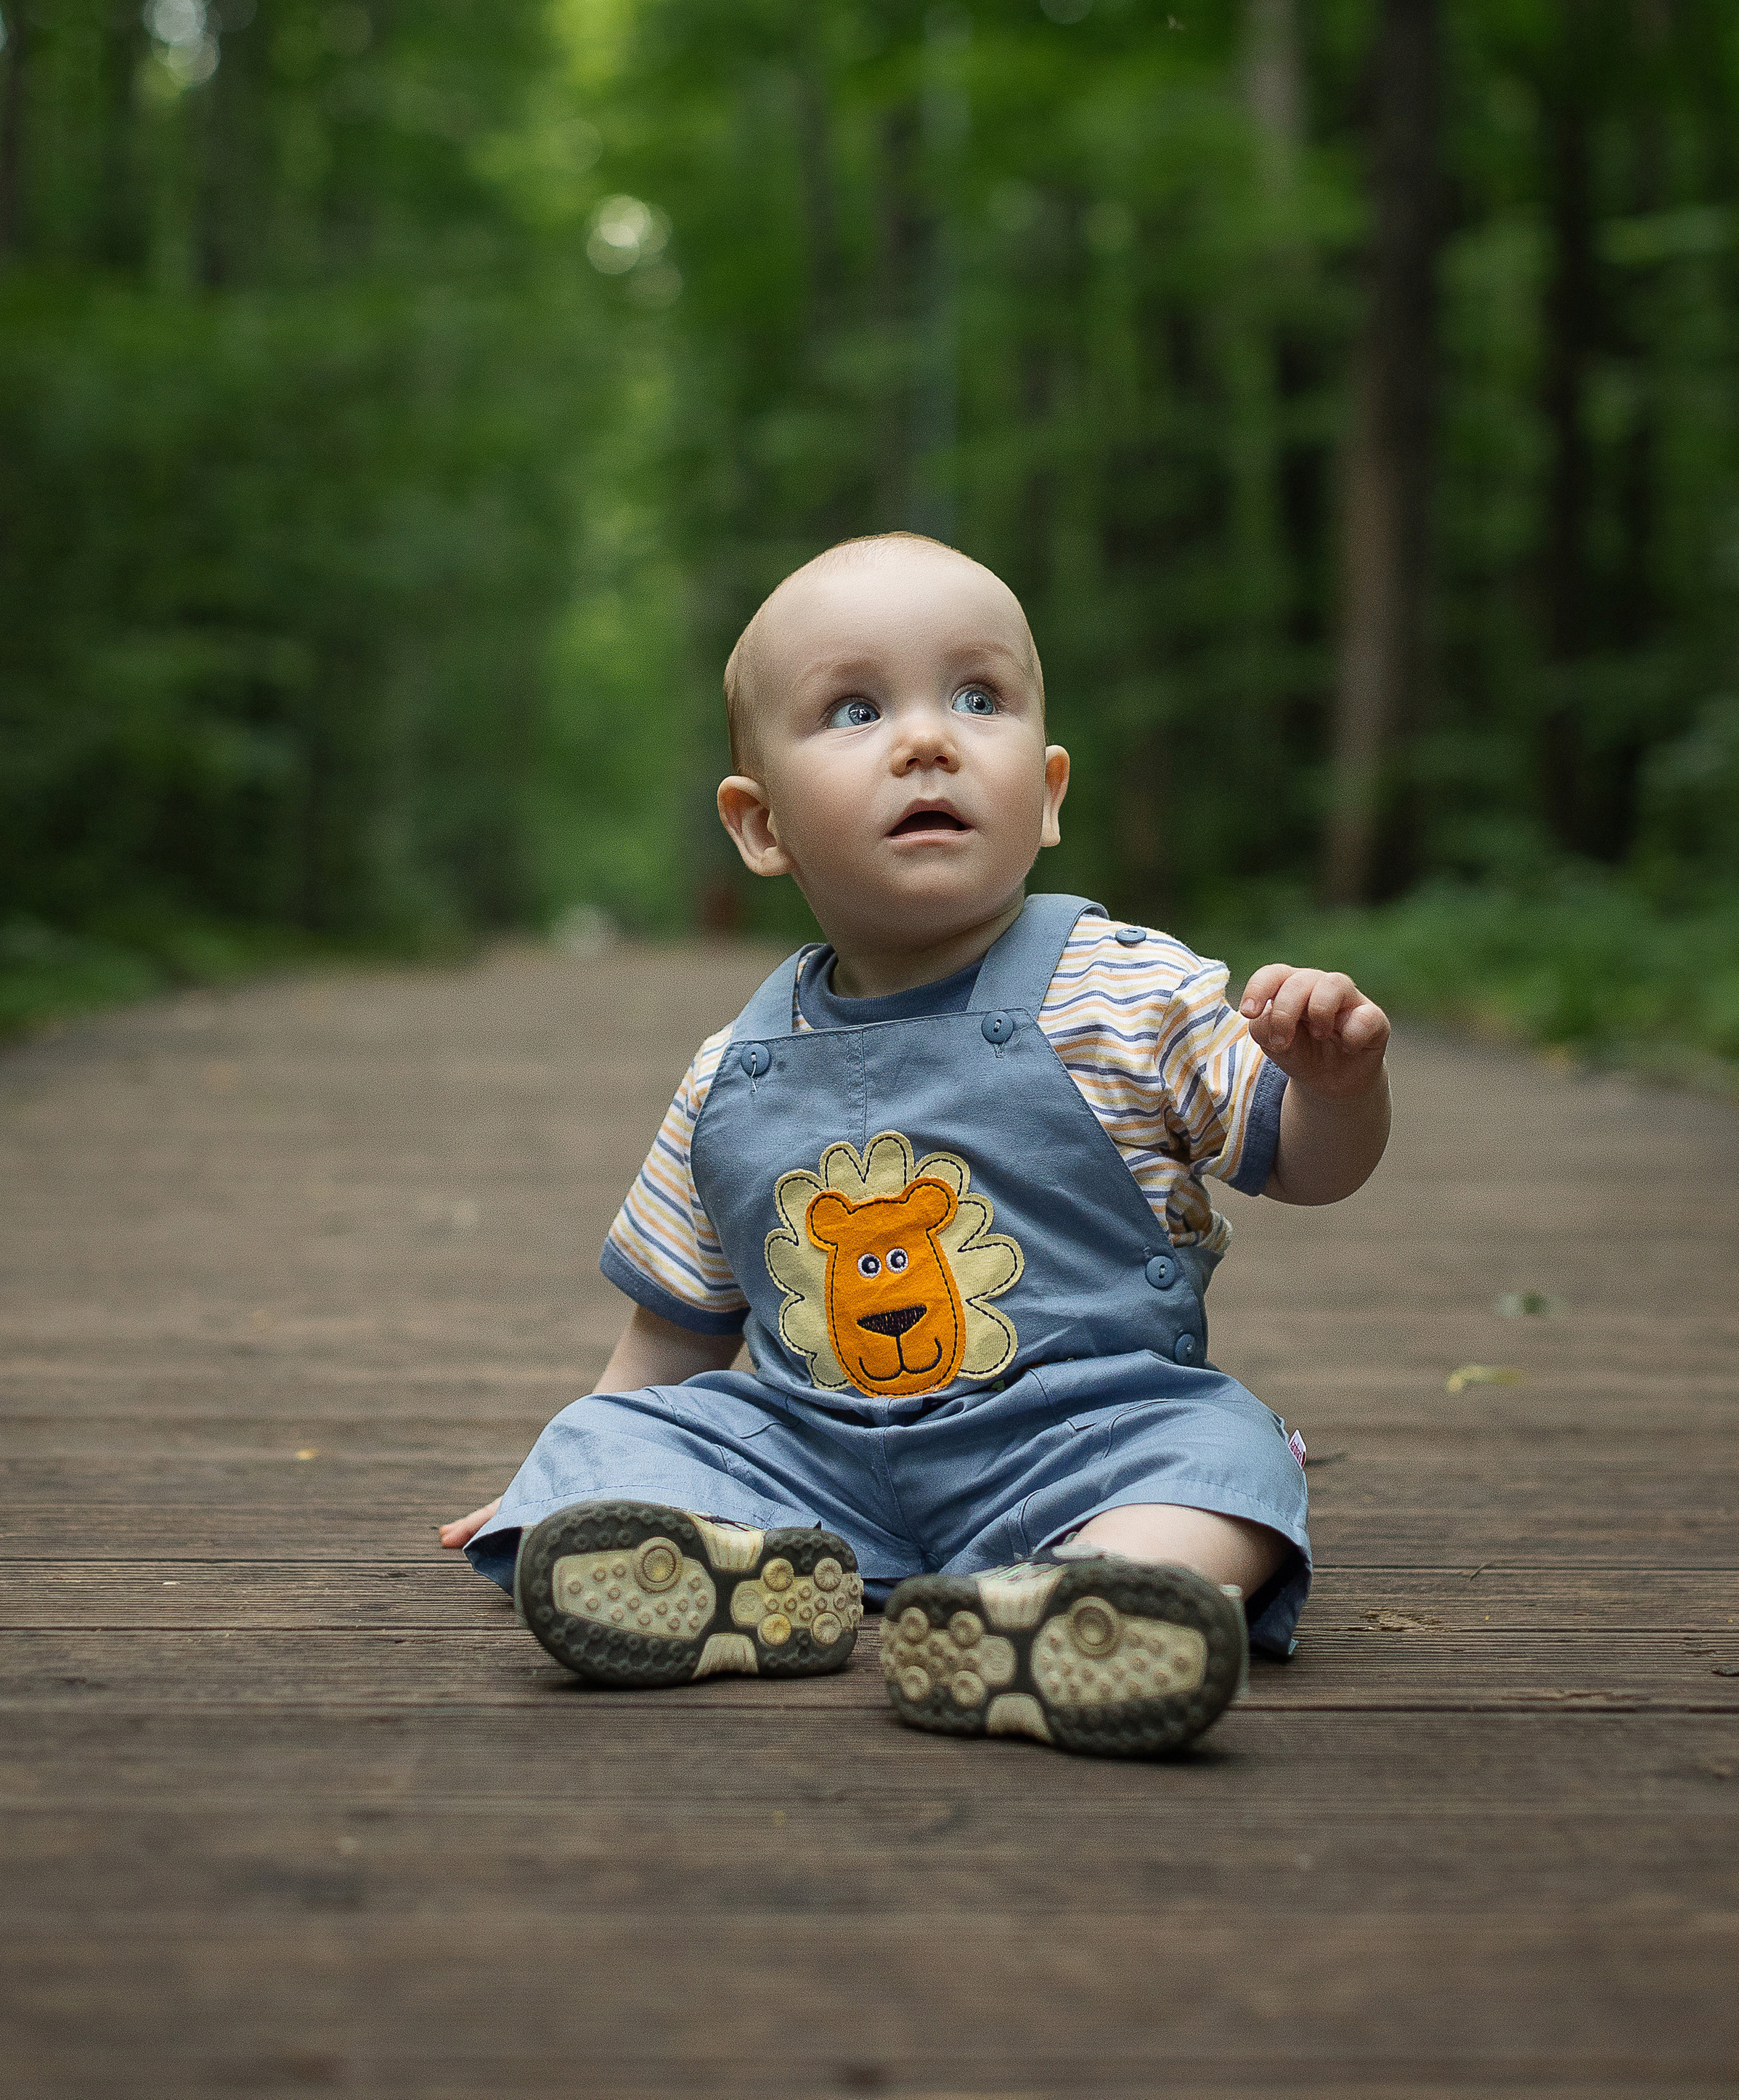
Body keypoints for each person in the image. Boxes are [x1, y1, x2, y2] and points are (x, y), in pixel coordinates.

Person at [441, 533, 1390, 1756]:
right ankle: (738, 1582)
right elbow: (674, 1330)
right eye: (853, 708)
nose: (929, 738)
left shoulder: (1126, 990)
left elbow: (1308, 1167)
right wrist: (574, 1480)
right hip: (815, 1463)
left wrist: (1336, 1086)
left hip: (1087, 1441)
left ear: (1047, 794)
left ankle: (1097, 1603)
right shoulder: (730, 1068)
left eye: (977, 697)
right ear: (761, 824)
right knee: (599, 1437)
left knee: (1230, 1456)